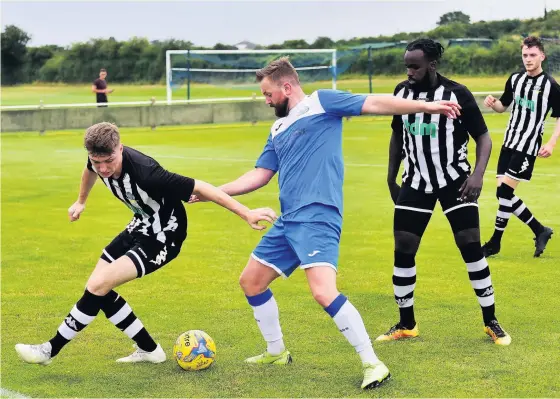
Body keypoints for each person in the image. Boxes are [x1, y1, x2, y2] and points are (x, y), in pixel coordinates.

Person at [189, 57, 461, 389]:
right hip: (288, 221)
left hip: (318, 216)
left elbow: (375, 102)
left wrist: (428, 107)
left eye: (267, 93)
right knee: (251, 282)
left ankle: (373, 363)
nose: (266, 100)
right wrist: (214, 192)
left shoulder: (322, 102)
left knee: (322, 292)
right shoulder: (277, 128)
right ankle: (276, 352)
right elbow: (260, 175)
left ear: (286, 87)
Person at [14, 122, 277, 366]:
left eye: (109, 161)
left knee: (97, 286)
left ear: (120, 147)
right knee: (96, 288)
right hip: (140, 224)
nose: (103, 168)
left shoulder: (147, 172)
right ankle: (150, 350)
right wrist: (81, 201)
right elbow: (88, 170)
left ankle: (49, 350)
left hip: (165, 234)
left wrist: (246, 213)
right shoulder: (96, 159)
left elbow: (202, 187)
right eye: (97, 161)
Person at [378, 39, 511, 347]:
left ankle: (490, 320)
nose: (409, 72)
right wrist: (390, 178)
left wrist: (477, 175)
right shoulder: (401, 92)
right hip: (415, 182)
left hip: (455, 180)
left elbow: (484, 137)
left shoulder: (457, 94)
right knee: (404, 247)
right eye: (407, 66)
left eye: (415, 66)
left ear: (432, 65)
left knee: (470, 245)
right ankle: (406, 323)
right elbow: (397, 136)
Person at [481, 36, 560, 258]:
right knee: (503, 195)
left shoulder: (551, 86)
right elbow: (502, 107)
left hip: (527, 145)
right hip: (509, 142)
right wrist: (492, 103)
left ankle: (497, 241)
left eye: (532, 55)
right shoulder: (515, 79)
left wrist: (552, 143)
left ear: (542, 56)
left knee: (504, 191)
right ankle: (539, 230)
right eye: (525, 55)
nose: (528, 59)